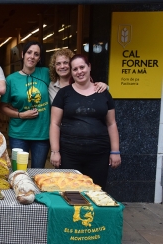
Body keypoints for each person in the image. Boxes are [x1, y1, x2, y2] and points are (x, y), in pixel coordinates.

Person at [50, 54, 121, 189]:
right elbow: (55, 123)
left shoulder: (103, 93)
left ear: (89, 67)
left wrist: (115, 151)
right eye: (75, 69)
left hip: (99, 154)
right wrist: (55, 151)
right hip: (69, 154)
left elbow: (111, 123)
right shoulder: (64, 94)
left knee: (96, 191)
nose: (79, 72)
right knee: (70, 192)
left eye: (82, 67)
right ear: (71, 72)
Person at [0, 41, 50, 168]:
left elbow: (69, 77)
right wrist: (21, 115)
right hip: (18, 134)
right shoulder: (11, 79)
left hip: (41, 134)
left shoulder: (45, 73)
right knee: (18, 171)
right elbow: (3, 107)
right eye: (29, 52)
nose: (32, 56)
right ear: (23, 54)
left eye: (36, 54)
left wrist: (96, 83)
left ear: (39, 58)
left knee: (38, 172)